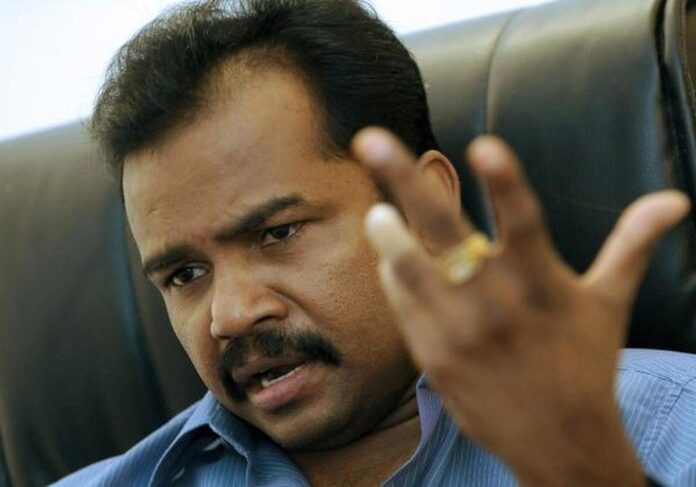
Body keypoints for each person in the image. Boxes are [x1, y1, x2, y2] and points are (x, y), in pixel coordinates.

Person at [54, 0, 696, 485]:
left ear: (423, 208)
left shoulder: (671, 430)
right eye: (185, 274)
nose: (231, 315)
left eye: (278, 233)